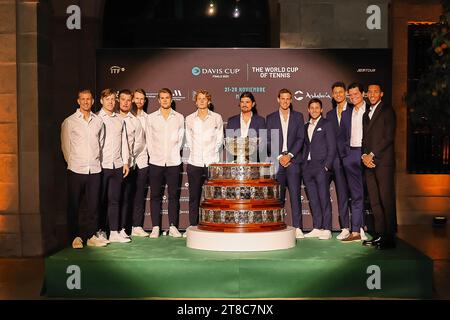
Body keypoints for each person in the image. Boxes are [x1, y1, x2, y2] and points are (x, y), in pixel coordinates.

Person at [61, 89, 108, 248]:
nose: (86, 102)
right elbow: (65, 146)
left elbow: (100, 144)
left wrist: (95, 161)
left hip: (94, 169)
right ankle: (75, 237)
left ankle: (91, 236)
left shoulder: (98, 121)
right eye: (83, 99)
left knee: (93, 206)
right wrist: (72, 163)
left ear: (93, 101)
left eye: (88, 99)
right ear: (78, 101)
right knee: (74, 205)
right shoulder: (70, 121)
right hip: (76, 169)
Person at [266, 88, 305, 239]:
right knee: (278, 198)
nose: (285, 101)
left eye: (288, 99)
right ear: (278, 99)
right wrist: (279, 156)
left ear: (291, 100)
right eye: (282, 98)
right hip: (277, 162)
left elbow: (300, 139)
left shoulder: (298, 116)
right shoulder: (270, 118)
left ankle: (298, 227)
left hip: (293, 162)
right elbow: (267, 140)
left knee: (295, 196)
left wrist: (289, 155)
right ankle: (277, 225)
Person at [361, 83, 397, 250]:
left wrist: (372, 154)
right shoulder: (366, 114)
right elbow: (364, 140)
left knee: (386, 200)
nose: (373, 94)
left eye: (376, 91)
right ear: (367, 94)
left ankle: (389, 237)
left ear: (381, 94)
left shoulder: (388, 111)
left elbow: (388, 137)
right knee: (374, 201)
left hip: (383, 163)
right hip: (369, 163)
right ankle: (380, 235)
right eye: (370, 92)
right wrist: (364, 156)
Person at [146, 88, 185, 238]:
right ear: (158, 100)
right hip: (156, 161)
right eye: (162, 98)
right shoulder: (151, 118)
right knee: (155, 195)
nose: (164, 100)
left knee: (173, 195)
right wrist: (154, 155)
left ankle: (173, 226)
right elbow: (149, 139)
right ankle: (156, 226)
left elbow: (181, 140)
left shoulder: (179, 117)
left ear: (171, 99)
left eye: (167, 98)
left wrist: (173, 153)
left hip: (174, 161)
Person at [185, 90, 224, 235]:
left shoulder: (217, 118)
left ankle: (213, 226)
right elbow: (188, 140)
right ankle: (193, 227)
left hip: (212, 163)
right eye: (199, 99)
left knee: (213, 197)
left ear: (209, 101)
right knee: (194, 197)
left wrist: (212, 156)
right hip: (194, 162)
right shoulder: (189, 119)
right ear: (195, 101)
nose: (202, 101)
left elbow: (220, 139)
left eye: (204, 99)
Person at [97, 88, 131, 243]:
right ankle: (100, 231)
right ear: (101, 101)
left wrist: (125, 162)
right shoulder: (97, 118)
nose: (110, 102)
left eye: (112, 99)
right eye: (107, 99)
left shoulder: (119, 119)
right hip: (101, 165)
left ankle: (114, 232)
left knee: (115, 200)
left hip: (117, 165)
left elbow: (124, 142)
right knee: (101, 200)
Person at [302, 98, 336, 240]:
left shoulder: (327, 124)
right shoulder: (305, 126)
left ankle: (327, 228)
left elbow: (332, 146)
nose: (314, 110)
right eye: (312, 108)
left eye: (317, 107)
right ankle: (317, 227)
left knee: (323, 198)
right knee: (313, 199)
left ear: (321, 110)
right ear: (308, 110)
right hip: (307, 167)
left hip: (322, 167)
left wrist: (327, 166)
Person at [339, 83, 368, 242]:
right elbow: (341, 137)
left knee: (371, 193)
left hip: (367, 155)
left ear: (362, 94)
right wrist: (345, 155)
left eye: (356, 94)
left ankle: (366, 228)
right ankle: (356, 231)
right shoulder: (346, 113)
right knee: (356, 195)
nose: (353, 97)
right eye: (351, 95)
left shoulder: (370, 110)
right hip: (351, 155)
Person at [117, 89, 148, 238]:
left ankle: (130, 227)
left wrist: (127, 158)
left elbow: (139, 143)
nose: (126, 102)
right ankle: (111, 228)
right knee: (116, 197)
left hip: (133, 163)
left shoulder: (139, 120)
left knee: (132, 195)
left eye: (129, 100)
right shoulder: (112, 117)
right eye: (123, 99)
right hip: (114, 164)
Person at [326, 82, 351, 240]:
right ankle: (345, 227)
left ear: (346, 93)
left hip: (350, 158)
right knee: (341, 195)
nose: (338, 95)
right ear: (332, 95)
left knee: (355, 195)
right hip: (334, 160)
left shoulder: (353, 110)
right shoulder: (329, 115)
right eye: (335, 92)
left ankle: (358, 226)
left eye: (341, 92)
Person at [129, 88, 150, 237]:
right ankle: (122, 226)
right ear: (132, 99)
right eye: (137, 98)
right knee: (124, 194)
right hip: (126, 162)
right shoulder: (123, 116)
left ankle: (137, 226)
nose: (139, 101)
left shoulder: (148, 118)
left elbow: (148, 140)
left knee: (139, 194)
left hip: (142, 161)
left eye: (142, 99)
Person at [226, 92, 266, 162]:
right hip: (235, 161)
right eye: (242, 102)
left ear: (253, 104)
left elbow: (263, 142)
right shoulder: (231, 121)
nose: (244, 104)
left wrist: (250, 153)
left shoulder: (260, 121)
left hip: (254, 161)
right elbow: (229, 142)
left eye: (247, 102)